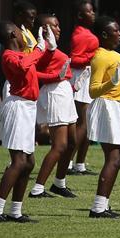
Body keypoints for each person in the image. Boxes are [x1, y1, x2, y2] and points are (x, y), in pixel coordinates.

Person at [0, 21, 52, 223]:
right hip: (18, 107)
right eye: (20, 32)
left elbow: (32, 61)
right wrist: (39, 48)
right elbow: (24, 65)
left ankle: (16, 210)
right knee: (19, 161)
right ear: (12, 35)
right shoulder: (8, 55)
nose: (25, 35)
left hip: (27, 107)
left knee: (29, 162)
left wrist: (43, 47)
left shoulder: (23, 53)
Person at [29, 14, 80, 199]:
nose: (59, 29)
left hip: (64, 91)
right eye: (54, 26)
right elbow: (34, 72)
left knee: (73, 142)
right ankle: (38, 188)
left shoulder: (54, 48)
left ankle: (59, 183)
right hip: (54, 93)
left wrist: (73, 86)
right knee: (60, 145)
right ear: (44, 29)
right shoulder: (41, 49)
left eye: (58, 26)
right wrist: (56, 77)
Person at [87, 16, 120, 218]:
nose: (119, 33)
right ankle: (98, 207)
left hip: (115, 105)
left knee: (116, 157)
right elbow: (93, 90)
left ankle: (102, 205)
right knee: (114, 157)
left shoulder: (111, 54)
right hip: (107, 105)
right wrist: (110, 84)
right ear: (104, 35)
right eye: (115, 30)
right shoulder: (100, 56)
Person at [69, 0, 99, 176]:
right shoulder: (80, 35)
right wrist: (94, 57)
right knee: (82, 123)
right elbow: (74, 59)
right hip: (80, 78)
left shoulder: (86, 32)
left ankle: (80, 163)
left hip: (87, 77)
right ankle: (68, 163)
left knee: (88, 124)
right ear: (81, 15)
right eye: (89, 12)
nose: (93, 14)